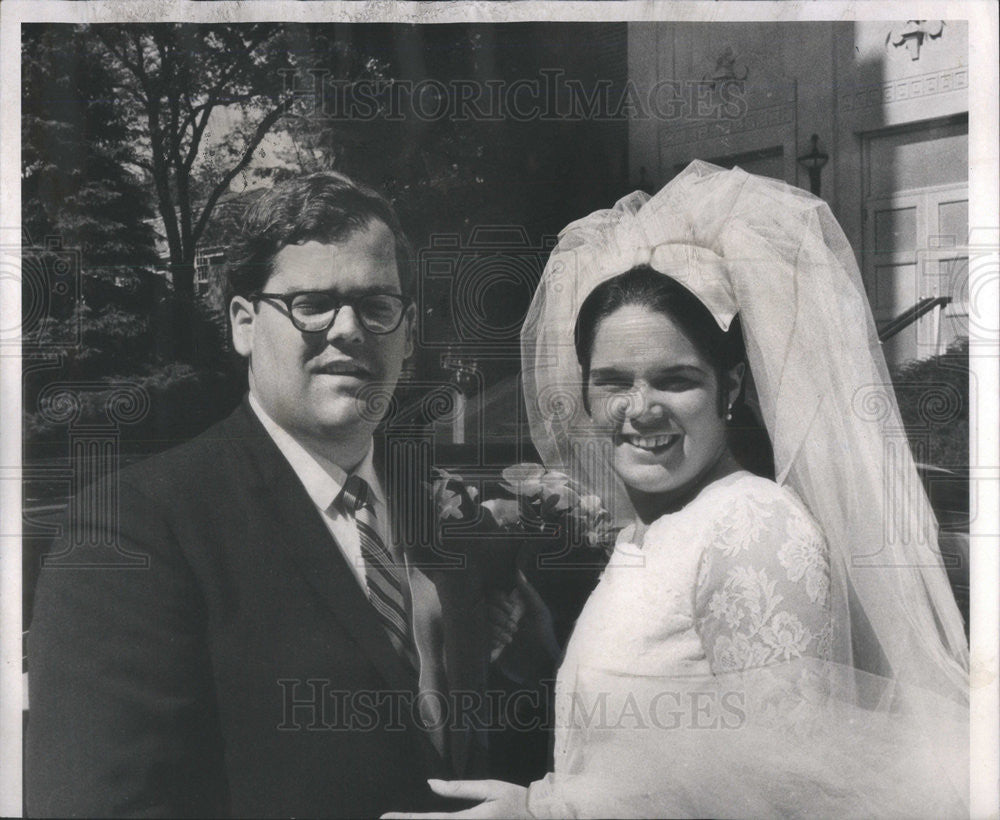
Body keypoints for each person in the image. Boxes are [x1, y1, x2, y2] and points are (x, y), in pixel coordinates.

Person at [383, 161, 970, 818]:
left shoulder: (755, 527)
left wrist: (541, 815)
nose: (640, 408)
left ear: (733, 390)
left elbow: (782, 785)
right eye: (613, 380)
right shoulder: (659, 532)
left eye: (675, 379)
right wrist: (536, 643)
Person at [26, 172, 488, 817]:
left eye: (378, 305)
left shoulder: (443, 516)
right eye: (312, 303)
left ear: (407, 333)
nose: (349, 329)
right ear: (244, 324)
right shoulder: (133, 530)